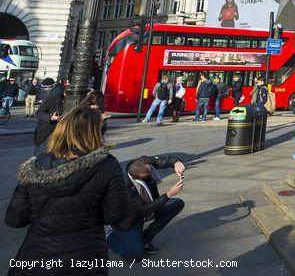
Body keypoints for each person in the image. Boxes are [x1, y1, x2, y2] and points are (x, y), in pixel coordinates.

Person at [6, 106, 133, 275]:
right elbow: (119, 217)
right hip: (86, 257)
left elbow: (15, 219)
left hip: (37, 257)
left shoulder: (34, 167)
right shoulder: (107, 165)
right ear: (95, 133)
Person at [108, 154, 186, 257]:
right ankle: (110, 237)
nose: (151, 175)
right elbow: (142, 210)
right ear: (138, 178)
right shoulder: (124, 187)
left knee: (177, 204)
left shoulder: (144, 162)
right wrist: (168, 195)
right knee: (136, 255)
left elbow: (162, 161)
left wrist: (176, 162)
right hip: (130, 219)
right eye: (147, 176)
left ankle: (146, 237)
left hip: (149, 205)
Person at [33, 77, 65, 149]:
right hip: (45, 132)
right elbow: (38, 113)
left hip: (52, 133)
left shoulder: (55, 94)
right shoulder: (52, 97)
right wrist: (50, 117)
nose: (44, 89)